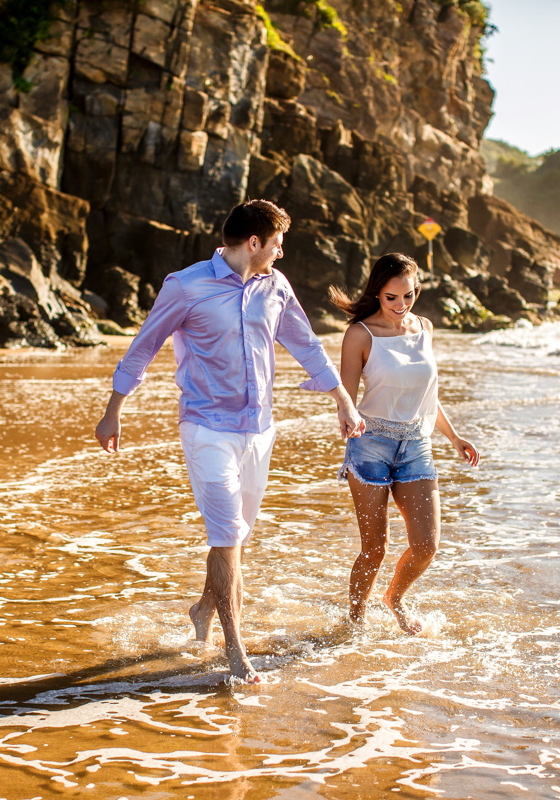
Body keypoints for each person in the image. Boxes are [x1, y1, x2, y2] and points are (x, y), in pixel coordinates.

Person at [95, 199, 365, 683]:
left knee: (234, 538)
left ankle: (202, 610)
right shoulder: (186, 286)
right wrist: (113, 410)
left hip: (260, 431)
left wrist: (342, 399)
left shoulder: (276, 286)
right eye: (277, 244)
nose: (281, 254)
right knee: (226, 537)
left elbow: (305, 344)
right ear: (254, 242)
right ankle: (235, 653)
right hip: (206, 429)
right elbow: (144, 347)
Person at [329, 253, 480, 636]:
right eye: (392, 297)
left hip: (416, 444)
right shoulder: (360, 334)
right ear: (378, 293)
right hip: (371, 446)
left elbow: (427, 395)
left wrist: (454, 436)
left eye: (408, 296)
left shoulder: (424, 327)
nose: (401, 306)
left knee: (426, 546)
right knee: (375, 548)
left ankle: (394, 597)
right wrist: (345, 418)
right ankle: (355, 623)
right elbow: (346, 394)